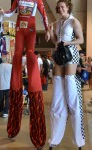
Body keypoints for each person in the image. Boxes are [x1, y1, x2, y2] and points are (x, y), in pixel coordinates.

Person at [0, 0, 50, 149]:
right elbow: (11, 11)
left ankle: (33, 80)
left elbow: (44, 15)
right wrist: (3, 13)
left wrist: (47, 29)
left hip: (31, 28)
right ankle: (13, 125)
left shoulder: (37, 1)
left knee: (30, 53)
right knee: (17, 54)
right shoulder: (17, 0)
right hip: (19, 27)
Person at [48, 0, 85, 150]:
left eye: (63, 6)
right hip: (59, 55)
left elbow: (81, 39)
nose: (61, 9)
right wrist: (50, 33)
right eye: (59, 7)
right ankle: (54, 139)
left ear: (68, 7)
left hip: (71, 54)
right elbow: (56, 41)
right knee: (57, 97)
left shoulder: (74, 21)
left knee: (72, 95)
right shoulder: (57, 23)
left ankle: (79, 141)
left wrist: (67, 43)